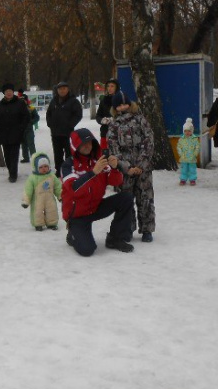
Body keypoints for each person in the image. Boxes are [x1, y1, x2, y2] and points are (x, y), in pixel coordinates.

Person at [62, 128, 135, 256]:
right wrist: (93, 173)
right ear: (75, 146)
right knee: (87, 250)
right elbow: (73, 188)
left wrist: (114, 168)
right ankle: (72, 235)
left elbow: (115, 182)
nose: (87, 146)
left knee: (126, 198)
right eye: (83, 144)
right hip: (78, 215)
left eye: (90, 142)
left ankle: (115, 238)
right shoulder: (68, 165)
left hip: (95, 207)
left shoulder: (98, 161)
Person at [107, 90, 156, 243]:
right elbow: (113, 148)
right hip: (125, 170)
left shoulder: (140, 119)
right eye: (119, 105)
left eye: (125, 104)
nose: (123, 107)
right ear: (115, 108)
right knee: (126, 200)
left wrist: (141, 164)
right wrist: (126, 167)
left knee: (145, 198)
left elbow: (149, 141)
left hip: (143, 168)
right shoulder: (114, 125)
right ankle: (127, 228)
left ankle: (147, 229)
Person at [0, 83, 29, 182]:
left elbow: (26, 117)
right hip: (4, 134)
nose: (9, 93)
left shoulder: (20, 103)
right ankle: (11, 172)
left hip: (16, 133)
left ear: (13, 92)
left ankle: (13, 175)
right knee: (7, 156)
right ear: (4, 93)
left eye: (10, 91)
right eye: (6, 91)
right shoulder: (0, 105)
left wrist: (21, 128)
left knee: (14, 155)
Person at [46, 81, 83, 175]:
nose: (62, 91)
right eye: (60, 89)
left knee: (69, 152)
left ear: (68, 89)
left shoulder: (73, 101)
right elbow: (49, 113)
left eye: (64, 88)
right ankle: (59, 170)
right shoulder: (54, 100)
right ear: (57, 90)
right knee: (57, 153)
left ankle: (68, 169)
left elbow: (78, 114)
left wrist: (70, 124)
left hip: (68, 132)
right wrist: (50, 123)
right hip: (55, 132)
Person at [21, 152, 61, 231]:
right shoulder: (32, 178)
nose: (44, 169)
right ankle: (38, 224)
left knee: (52, 210)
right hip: (38, 199)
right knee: (37, 211)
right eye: (41, 167)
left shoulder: (52, 176)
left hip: (50, 198)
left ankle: (52, 223)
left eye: (46, 166)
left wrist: (60, 195)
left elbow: (58, 186)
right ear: (36, 167)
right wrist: (26, 201)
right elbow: (27, 190)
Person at [95, 79, 121, 150]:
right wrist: (102, 120)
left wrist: (114, 119)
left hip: (119, 133)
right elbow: (98, 115)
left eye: (112, 86)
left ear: (117, 88)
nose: (109, 88)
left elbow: (125, 115)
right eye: (108, 86)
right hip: (105, 132)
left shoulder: (121, 99)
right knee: (104, 155)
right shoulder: (103, 100)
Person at [177, 118, 200, 186]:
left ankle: (192, 179)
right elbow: (179, 147)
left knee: (192, 169)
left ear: (192, 131)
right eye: (185, 131)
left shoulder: (195, 139)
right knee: (184, 170)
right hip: (184, 158)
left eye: (189, 131)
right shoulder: (181, 139)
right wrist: (181, 154)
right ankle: (183, 179)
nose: (187, 133)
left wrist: (195, 154)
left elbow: (197, 147)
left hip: (192, 158)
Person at [20, 96, 40, 163]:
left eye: (24, 100)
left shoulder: (31, 108)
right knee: (23, 145)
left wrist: (31, 122)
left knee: (31, 144)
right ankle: (26, 158)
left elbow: (37, 117)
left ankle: (34, 158)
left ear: (26, 101)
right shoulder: (17, 109)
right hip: (21, 130)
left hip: (29, 130)